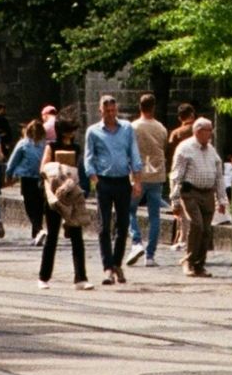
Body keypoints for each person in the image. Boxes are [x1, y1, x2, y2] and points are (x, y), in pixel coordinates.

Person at [83, 93, 143, 286]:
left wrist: (137, 180)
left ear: (116, 110)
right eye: (106, 110)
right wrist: (94, 177)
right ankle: (107, 267)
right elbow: (88, 156)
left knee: (123, 224)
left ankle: (117, 263)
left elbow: (133, 153)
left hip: (123, 181)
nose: (110, 114)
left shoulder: (126, 128)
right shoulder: (93, 131)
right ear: (100, 111)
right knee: (104, 225)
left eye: (113, 110)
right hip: (104, 181)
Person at [170, 114, 225, 277]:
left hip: (207, 192)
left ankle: (200, 264)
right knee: (197, 225)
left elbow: (219, 176)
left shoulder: (212, 150)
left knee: (207, 230)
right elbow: (176, 176)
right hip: (190, 192)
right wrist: (175, 200)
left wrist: (221, 199)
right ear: (198, 131)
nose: (211, 134)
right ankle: (188, 261)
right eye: (208, 131)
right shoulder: (185, 148)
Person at [39, 135, 90, 286]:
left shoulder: (76, 148)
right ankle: (43, 277)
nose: (69, 134)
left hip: (71, 192)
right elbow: (43, 169)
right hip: (55, 194)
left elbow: (80, 170)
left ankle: (81, 278)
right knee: (52, 236)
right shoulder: (52, 146)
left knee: (76, 236)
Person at [132, 93, 170, 266]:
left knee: (129, 210)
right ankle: (150, 256)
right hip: (156, 174)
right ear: (153, 107)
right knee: (154, 216)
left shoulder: (133, 127)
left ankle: (136, 241)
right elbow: (163, 146)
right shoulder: (161, 128)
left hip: (138, 175)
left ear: (140, 107)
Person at [7, 118, 48, 239]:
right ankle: (36, 234)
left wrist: (8, 173)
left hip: (27, 177)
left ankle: (39, 229)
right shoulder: (45, 145)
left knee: (29, 205)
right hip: (41, 178)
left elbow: (13, 160)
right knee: (39, 205)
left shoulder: (23, 143)